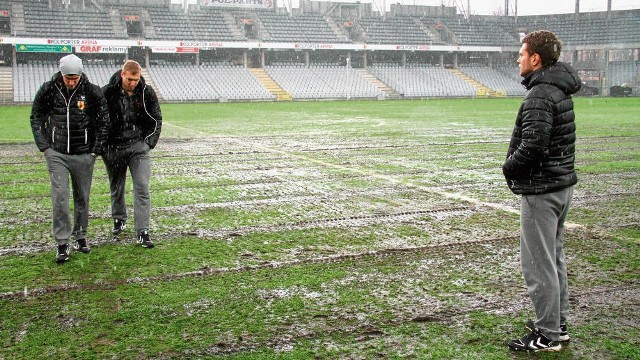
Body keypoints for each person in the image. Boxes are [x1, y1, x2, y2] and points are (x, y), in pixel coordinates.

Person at [503, 30, 581, 352]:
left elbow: (533, 145)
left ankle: (548, 335)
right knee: (554, 258)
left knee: (538, 263)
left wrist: (509, 167)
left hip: (542, 190)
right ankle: (556, 323)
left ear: (536, 58)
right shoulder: (558, 91)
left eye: (522, 54)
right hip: (560, 187)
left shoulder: (539, 94)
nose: (518, 59)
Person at [30, 54, 110, 263]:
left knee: (82, 197)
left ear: (81, 73)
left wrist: (95, 150)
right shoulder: (48, 89)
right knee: (60, 198)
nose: (72, 82)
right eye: (68, 78)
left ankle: (81, 236)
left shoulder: (92, 92)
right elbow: (36, 116)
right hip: (57, 154)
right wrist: (45, 147)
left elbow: (103, 121)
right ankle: (62, 243)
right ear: (61, 74)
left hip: (84, 154)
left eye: (75, 78)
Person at [102, 60, 162, 248]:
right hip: (114, 147)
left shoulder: (146, 92)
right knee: (117, 186)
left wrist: (148, 144)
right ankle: (119, 218)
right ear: (122, 74)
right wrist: (104, 146)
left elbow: (156, 119)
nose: (133, 83)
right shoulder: (107, 92)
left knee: (142, 187)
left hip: (138, 147)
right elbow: (98, 120)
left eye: (136, 79)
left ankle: (142, 231)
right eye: (129, 79)